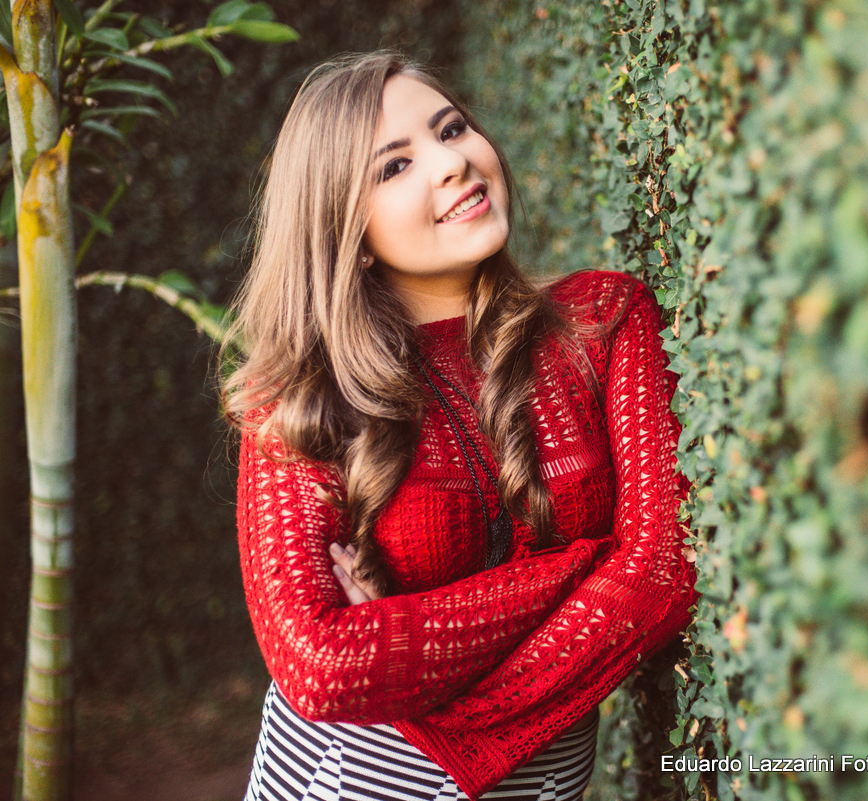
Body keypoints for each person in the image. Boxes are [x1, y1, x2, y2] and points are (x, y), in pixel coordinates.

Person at [221, 50, 696, 801]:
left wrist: (409, 648)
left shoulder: (603, 320)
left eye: (452, 129)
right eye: (394, 166)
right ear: (346, 229)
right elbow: (322, 666)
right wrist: (589, 565)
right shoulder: (300, 398)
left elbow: (663, 574)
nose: (452, 163)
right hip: (354, 779)